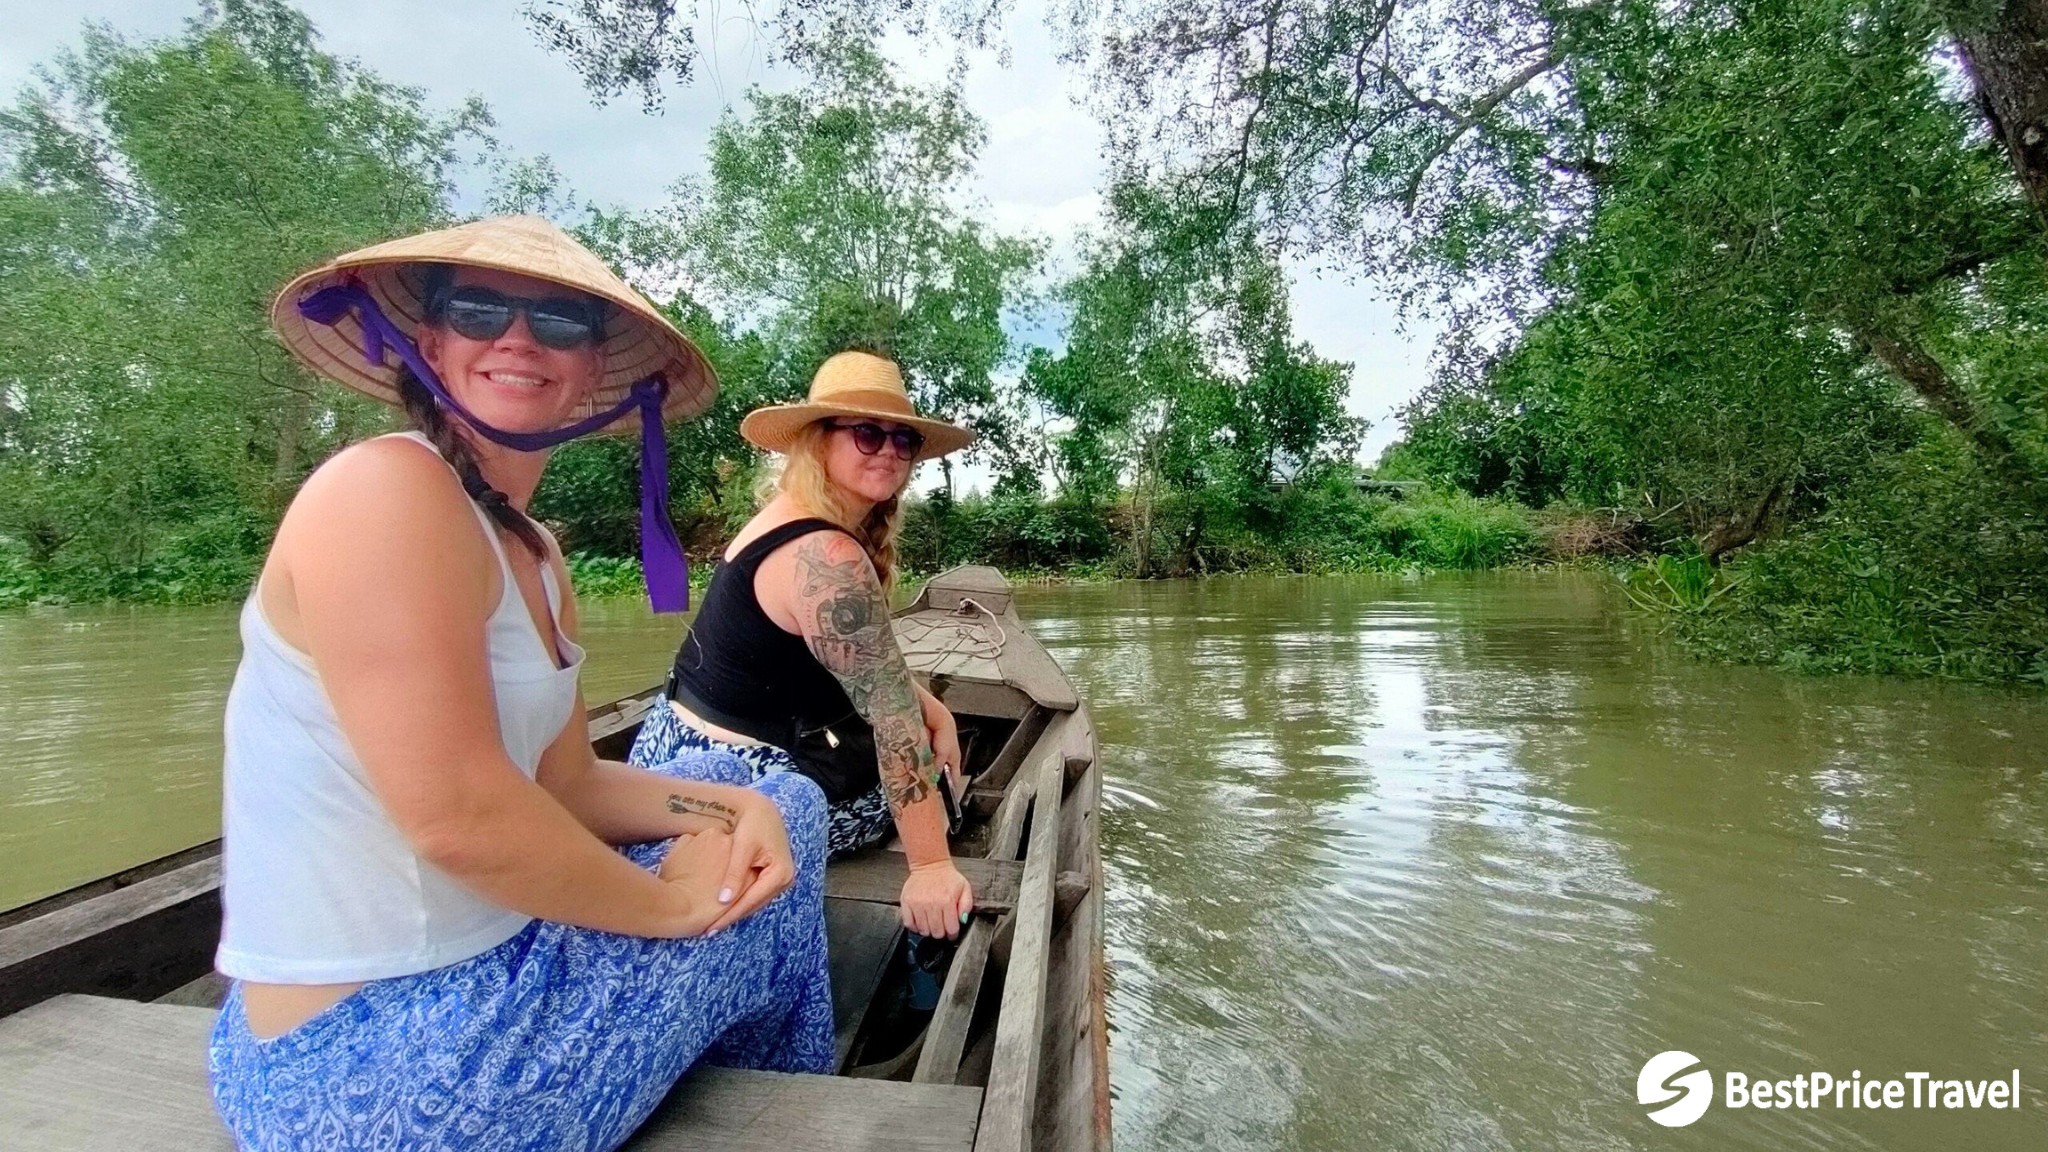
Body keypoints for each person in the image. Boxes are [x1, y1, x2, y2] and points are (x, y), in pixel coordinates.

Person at [209, 216, 835, 1152]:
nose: (518, 338)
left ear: (594, 370)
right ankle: (797, 1103)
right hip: (372, 1066)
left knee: (783, 802)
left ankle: (739, 1054)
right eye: (479, 309)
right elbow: (459, 816)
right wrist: (675, 908)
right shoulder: (383, 491)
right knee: (766, 893)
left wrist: (727, 805)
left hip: (473, 977)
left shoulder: (533, 555)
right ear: (431, 341)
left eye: (559, 322)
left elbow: (567, 785)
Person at [630, 350, 978, 941]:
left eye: (904, 441)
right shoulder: (831, 558)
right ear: (819, 440)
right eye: (868, 433)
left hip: (661, 754)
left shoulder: (782, 516)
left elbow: (864, 671)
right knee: (934, 786)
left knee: (912, 734)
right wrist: (930, 865)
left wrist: (930, 703)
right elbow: (893, 723)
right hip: (739, 791)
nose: (890, 451)